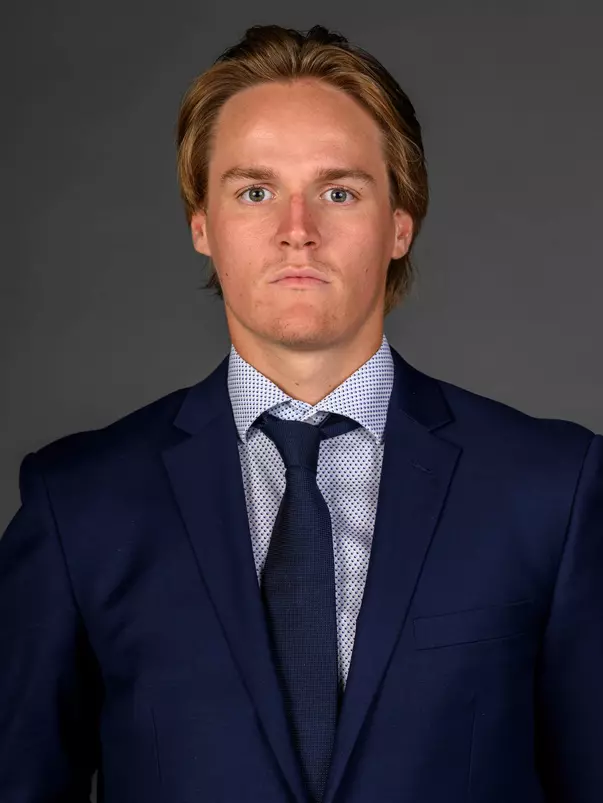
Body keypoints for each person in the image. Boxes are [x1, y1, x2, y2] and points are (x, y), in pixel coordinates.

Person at [0, 22, 601, 803]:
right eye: (254, 191)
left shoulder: (551, 490)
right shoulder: (78, 503)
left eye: (337, 191)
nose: (297, 232)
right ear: (201, 225)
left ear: (399, 223)